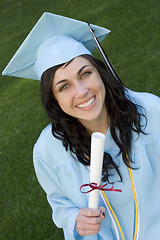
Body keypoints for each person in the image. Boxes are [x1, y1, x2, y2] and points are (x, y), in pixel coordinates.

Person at [2, 12, 160, 240]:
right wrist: (75, 219)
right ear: (53, 99)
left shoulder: (151, 112)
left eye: (85, 73)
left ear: (100, 73)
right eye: (64, 86)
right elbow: (60, 204)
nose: (81, 91)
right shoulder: (47, 151)